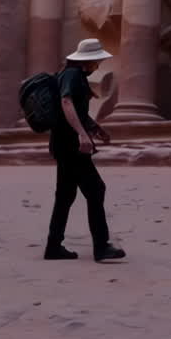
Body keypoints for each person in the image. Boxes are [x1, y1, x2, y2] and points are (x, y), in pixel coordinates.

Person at [45, 39, 127, 262]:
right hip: (71, 145)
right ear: (88, 60)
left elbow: (77, 110)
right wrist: (82, 134)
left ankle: (53, 247)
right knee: (96, 189)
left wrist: (95, 129)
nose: (99, 65)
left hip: (64, 144)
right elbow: (67, 103)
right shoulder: (72, 75)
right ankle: (101, 247)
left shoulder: (72, 75)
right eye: (97, 60)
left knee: (65, 196)